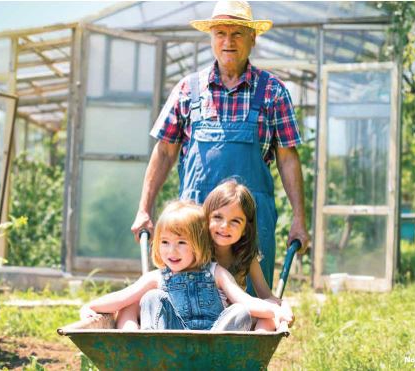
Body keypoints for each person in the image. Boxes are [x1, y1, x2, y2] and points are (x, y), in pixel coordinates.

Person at [131, 0, 310, 292]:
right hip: (195, 220)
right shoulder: (188, 89)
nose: (228, 41)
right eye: (220, 33)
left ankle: (248, 336)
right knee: (186, 297)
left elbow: (288, 158)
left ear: (253, 38)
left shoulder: (272, 92)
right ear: (212, 38)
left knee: (252, 298)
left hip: (249, 224)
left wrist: (299, 220)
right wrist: (144, 209)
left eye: (237, 33)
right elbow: (164, 151)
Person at [81, 200, 291, 331]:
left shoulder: (216, 272)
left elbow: (245, 300)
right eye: (165, 242)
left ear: (198, 244)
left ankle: (216, 351)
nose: (172, 251)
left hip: (214, 337)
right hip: (170, 341)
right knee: (151, 297)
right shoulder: (157, 277)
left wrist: (275, 312)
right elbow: (122, 297)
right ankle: (153, 347)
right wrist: (90, 306)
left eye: (181, 243)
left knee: (240, 310)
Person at [203, 179, 293, 331]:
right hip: (198, 319)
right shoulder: (199, 254)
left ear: (245, 228)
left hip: (236, 320)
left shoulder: (245, 257)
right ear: (206, 218)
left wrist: (283, 305)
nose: (225, 226)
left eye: (235, 221)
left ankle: (255, 350)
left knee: (268, 318)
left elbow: (266, 296)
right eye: (218, 217)